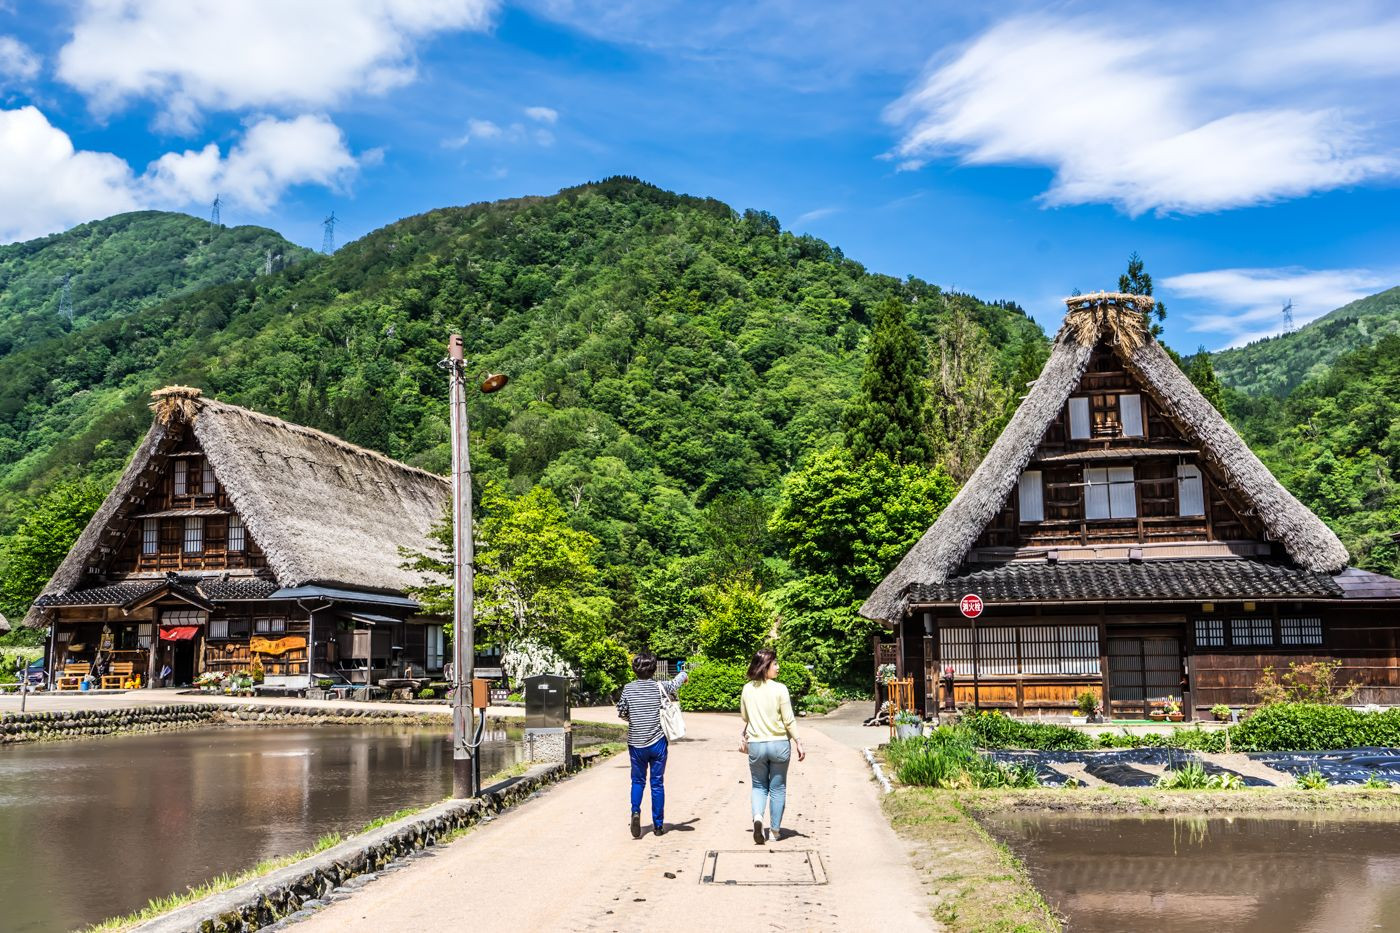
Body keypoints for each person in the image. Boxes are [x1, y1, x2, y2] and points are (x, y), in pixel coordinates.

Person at [616, 651, 688, 839]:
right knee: (657, 783)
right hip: (657, 743)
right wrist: (683, 674)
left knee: (637, 781)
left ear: (635, 669)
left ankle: (635, 811)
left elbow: (621, 712)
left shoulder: (628, 689)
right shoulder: (659, 686)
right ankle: (658, 826)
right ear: (654, 669)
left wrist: (634, 718)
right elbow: (675, 683)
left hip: (636, 743)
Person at [740, 648, 804, 844]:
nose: (778, 667)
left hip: (756, 745)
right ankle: (775, 831)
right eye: (775, 664)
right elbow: (788, 720)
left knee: (759, 786)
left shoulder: (747, 689)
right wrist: (798, 741)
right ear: (765, 666)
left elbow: (744, 716)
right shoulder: (780, 689)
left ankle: (758, 817)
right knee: (778, 788)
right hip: (779, 745)